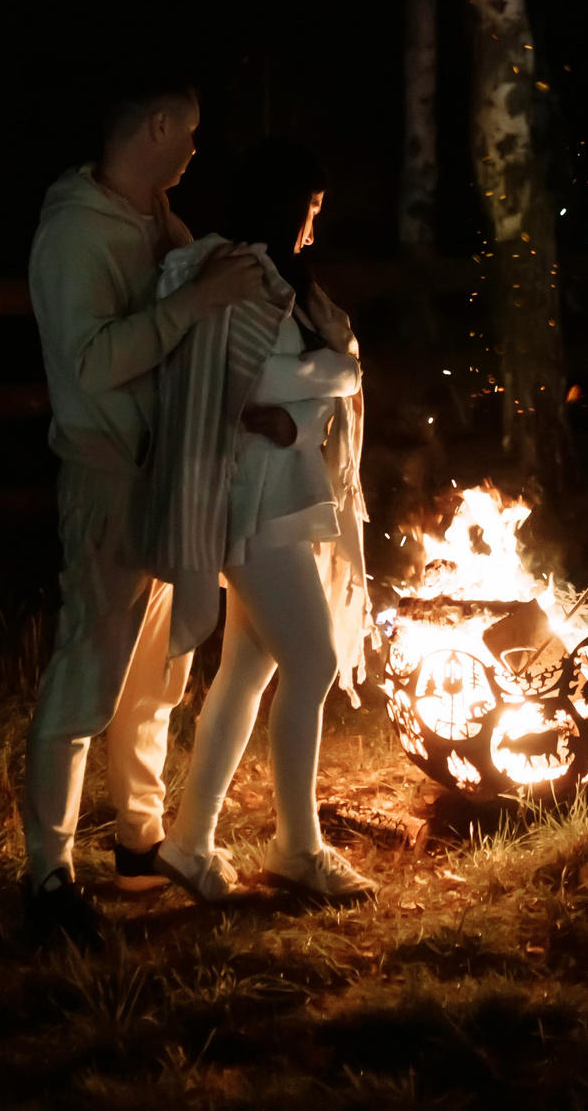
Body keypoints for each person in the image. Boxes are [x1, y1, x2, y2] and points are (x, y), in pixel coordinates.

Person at [21, 73, 269, 949]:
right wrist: (189, 305)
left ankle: (139, 835)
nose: (196, 149)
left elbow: (185, 302)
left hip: (163, 475)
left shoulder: (150, 220)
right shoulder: (72, 235)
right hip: (106, 476)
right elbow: (89, 363)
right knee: (89, 663)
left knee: (156, 668)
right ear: (156, 125)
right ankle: (48, 868)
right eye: (189, 132)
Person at [151, 138, 377, 905]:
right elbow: (234, 369)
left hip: (287, 493)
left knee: (250, 669)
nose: (314, 230)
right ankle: (297, 848)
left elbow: (335, 370)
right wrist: (298, 389)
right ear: (283, 207)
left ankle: (189, 842)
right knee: (310, 663)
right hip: (251, 498)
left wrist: (307, 387)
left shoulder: (286, 281)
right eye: (309, 212)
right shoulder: (230, 274)